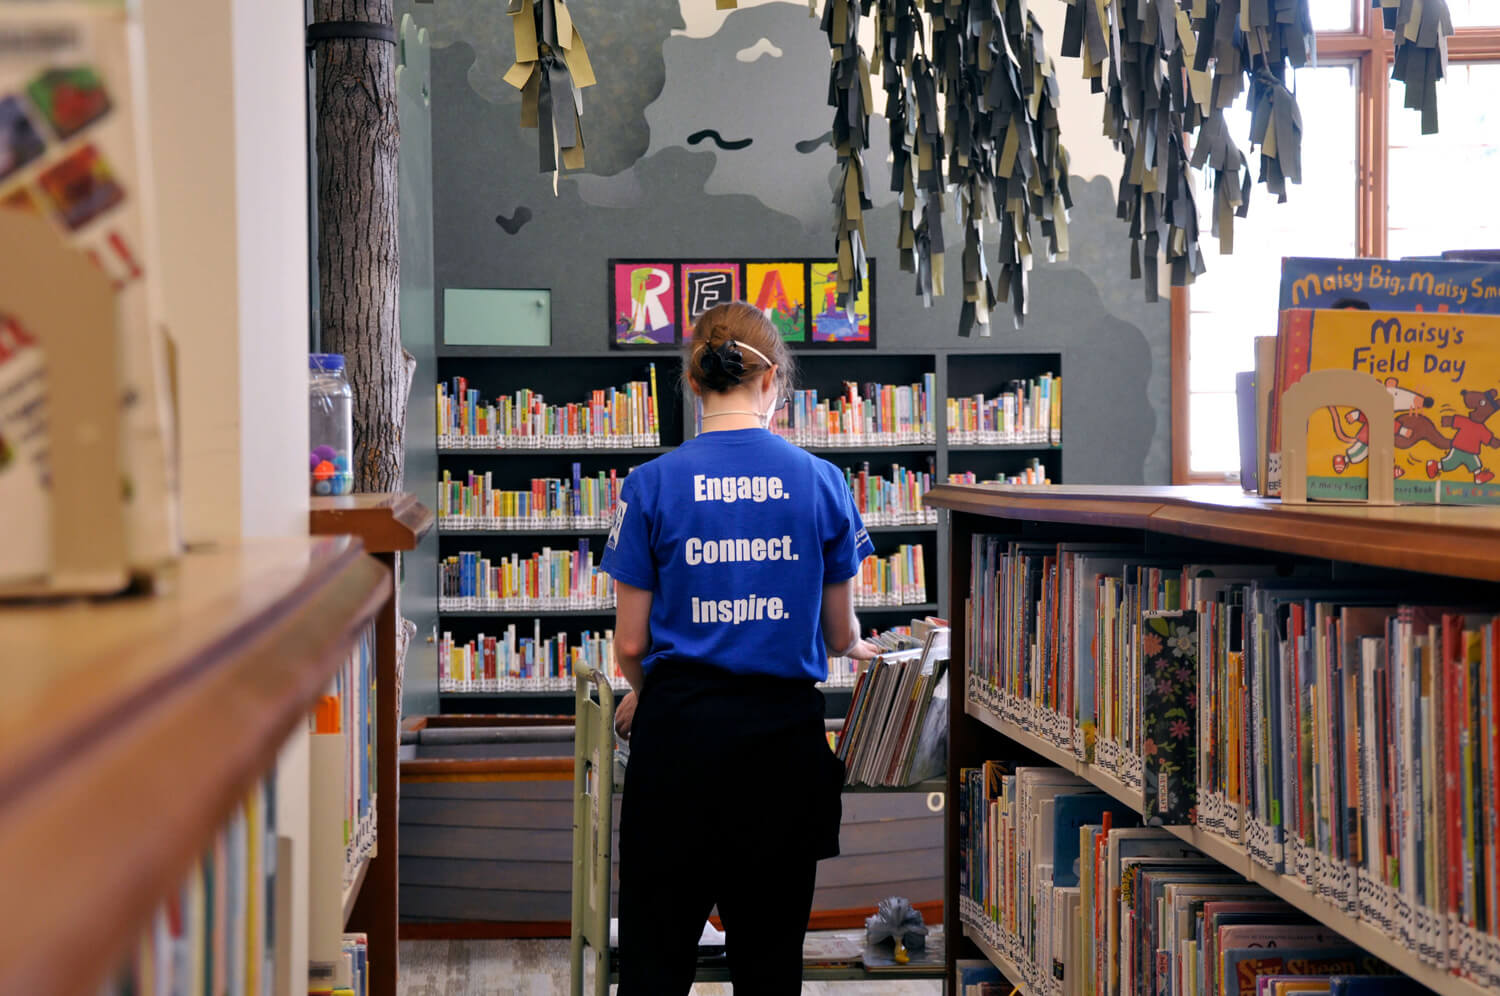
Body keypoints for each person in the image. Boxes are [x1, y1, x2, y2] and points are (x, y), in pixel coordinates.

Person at [599, 300, 879, 995]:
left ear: (694, 385)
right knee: (769, 970)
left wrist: (648, 692)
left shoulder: (650, 484)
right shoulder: (823, 482)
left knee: (654, 967)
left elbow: (630, 641)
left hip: (677, 747)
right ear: (774, 381)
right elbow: (841, 637)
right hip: (781, 752)